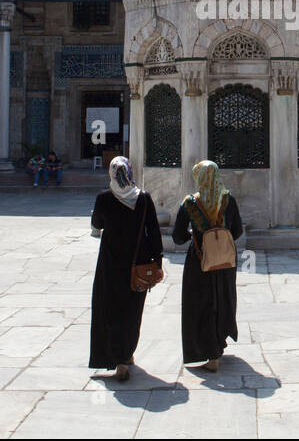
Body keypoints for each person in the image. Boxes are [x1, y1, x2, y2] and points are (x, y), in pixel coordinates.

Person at [89, 156, 162, 381]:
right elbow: (154, 231)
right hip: (137, 264)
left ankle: (114, 358)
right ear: (129, 172)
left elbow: (97, 226)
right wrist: (158, 263)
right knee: (131, 311)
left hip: (110, 264)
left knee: (108, 308)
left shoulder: (104, 198)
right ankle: (126, 355)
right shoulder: (143, 198)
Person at [172, 160, 243, 372]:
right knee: (222, 298)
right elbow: (237, 232)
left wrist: (193, 235)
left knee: (200, 302)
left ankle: (209, 352)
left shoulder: (190, 205)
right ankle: (219, 343)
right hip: (224, 261)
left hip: (199, 260)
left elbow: (177, 237)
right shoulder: (228, 201)